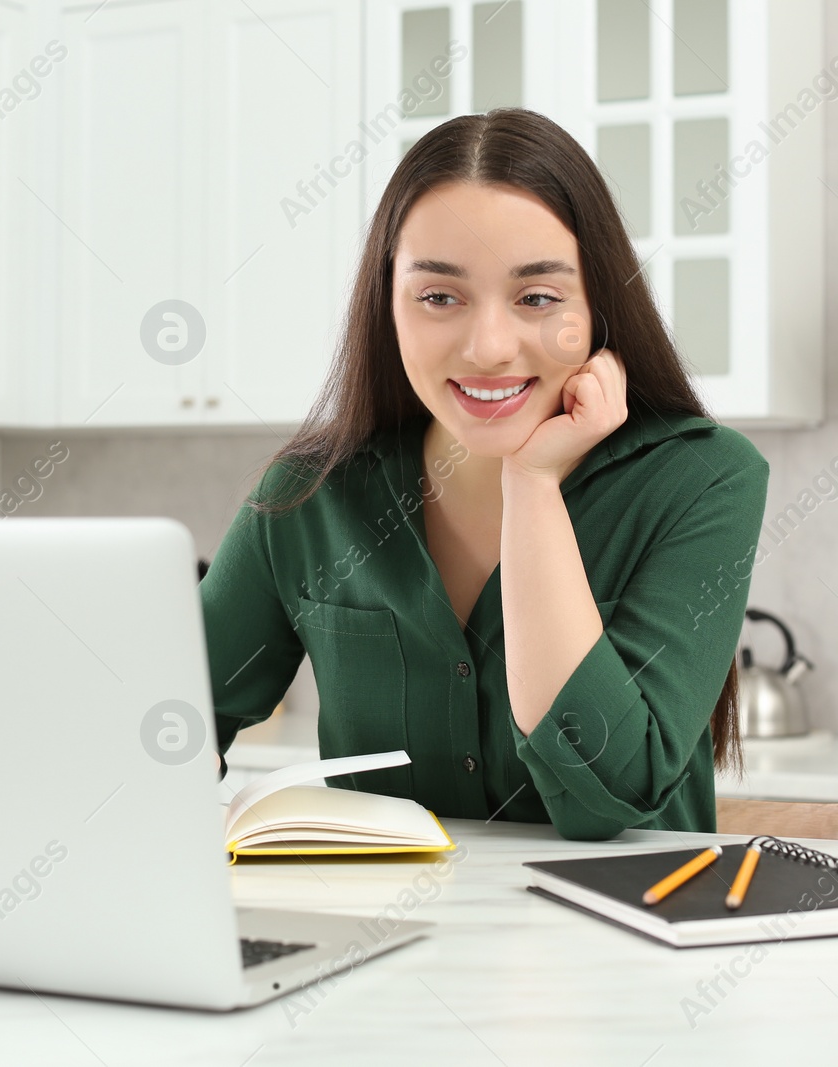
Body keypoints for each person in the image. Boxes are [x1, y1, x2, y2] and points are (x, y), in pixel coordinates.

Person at [200, 108, 768, 839]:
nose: (490, 346)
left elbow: (611, 796)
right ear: (388, 304)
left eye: (538, 297)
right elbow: (160, 734)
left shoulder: (703, 481)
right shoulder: (311, 495)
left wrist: (531, 484)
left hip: (624, 946)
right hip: (379, 946)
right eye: (440, 296)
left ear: (599, 307)